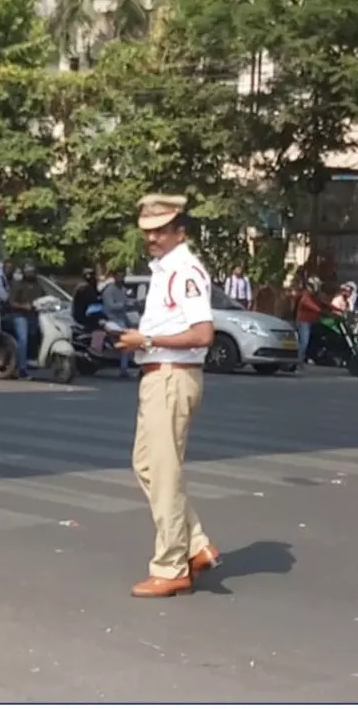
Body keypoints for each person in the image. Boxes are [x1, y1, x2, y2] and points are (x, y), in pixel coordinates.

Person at [113, 193, 220, 598]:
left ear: (181, 232)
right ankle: (195, 545)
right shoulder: (165, 270)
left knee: (163, 471)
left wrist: (148, 338)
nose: (152, 238)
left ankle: (171, 564)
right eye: (147, 231)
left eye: (160, 231)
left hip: (173, 376)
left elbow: (203, 334)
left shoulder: (184, 271)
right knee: (148, 465)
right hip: (159, 372)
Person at [7, 260, 45, 380]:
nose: (30, 273)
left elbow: (45, 298)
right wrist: (24, 306)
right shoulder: (18, 285)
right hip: (20, 315)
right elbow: (11, 302)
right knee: (23, 339)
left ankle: (32, 360)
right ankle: (21, 369)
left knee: (37, 335)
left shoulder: (38, 286)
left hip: (35, 315)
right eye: (28, 271)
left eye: (32, 271)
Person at [100, 268, 132, 378]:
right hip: (111, 320)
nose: (121, 278)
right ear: (114, 277)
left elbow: (125, 309)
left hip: (122, 320)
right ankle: (123, 368)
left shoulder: (123, 290)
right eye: (119, 276)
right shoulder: (109, 291)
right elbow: (110, 306)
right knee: (125, 342)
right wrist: (123, 305)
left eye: (122, 276)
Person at [294, 276, 326, 366]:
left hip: (312, 322)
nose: (319, 288)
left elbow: (324, 304)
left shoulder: (314, 296)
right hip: (303, 322)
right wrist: (320, 311)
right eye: (317, 286)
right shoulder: (305, 295)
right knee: (304, 342)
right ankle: (298, 362)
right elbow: (309, 304)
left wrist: (337, 310)